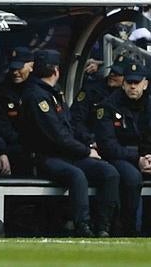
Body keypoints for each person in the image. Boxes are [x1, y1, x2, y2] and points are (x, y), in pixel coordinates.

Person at [20, 49, 120, 237]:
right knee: (77, 175)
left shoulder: (54, 93)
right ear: (56, 70)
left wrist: (89, 144)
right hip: (45, 157)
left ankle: (104, 227)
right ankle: (82, 226)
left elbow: (69, 126)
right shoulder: (36, 96)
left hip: (68, 154)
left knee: (109, 172)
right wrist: (85, 151)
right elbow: (57, 136)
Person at [94, 60, 150, 236]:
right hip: (119, 157)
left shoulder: (149, 105)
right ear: (123, 84)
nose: (133, 87)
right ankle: (129, 229)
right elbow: (107, 145)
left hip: (145, 157)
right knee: (132, 178)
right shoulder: (108, 106)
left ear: (145, 84)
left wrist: (148, 157)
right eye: (129, 82)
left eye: (137, 82)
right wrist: (137, 159)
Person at [0, 47, 35, 176]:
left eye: (19, 68)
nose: (15, 72)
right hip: (13, 146)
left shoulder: (38, 90)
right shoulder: (1, 92)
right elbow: (1, 126)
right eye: (12, 69)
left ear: (31, 66)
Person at [70, 54, 127, 146]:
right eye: (112, 71)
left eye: (117, 74)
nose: (112, 75)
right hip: (90, 142)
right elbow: (76, 119)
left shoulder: (129, 96)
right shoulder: (91, 90)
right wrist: (90, 140)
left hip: (118, 145)